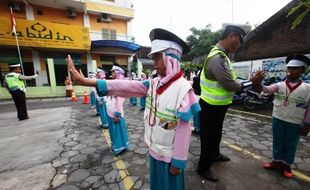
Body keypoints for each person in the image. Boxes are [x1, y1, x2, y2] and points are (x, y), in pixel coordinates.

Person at [67, 28, 200, 190]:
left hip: (170, 158)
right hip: (154, 151)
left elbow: (183, 130)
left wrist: (178, 162)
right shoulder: (153, 84)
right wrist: (90, 82)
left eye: (157, 57)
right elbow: (126, 86)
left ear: (170, 58)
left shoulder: (183, 90)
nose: (154, 63)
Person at [197, 25, 265, 182]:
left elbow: (231, 80)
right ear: (232, 36)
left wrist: (248, 81)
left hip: (218, 106)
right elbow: (230, 85)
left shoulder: (223, 56)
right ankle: (203, 168)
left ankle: (215, 155)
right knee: (209, 138)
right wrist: (252, 82)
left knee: (216, 134)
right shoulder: (217, 58)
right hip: (210, 106)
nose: (239, 45)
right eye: (239, 41)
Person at [261, 54, 310, 178]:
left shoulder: (307, 88)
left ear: (302, 70)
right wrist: (258, 83)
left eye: (295, 68)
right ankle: (276, 162)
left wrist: (307, 124)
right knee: (278, 141)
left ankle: (286, 165)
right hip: (278, 118)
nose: (290, 71)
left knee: (291, 144)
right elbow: (267, 89)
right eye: (289, 68)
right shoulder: (280, 85)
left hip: (295, 122)